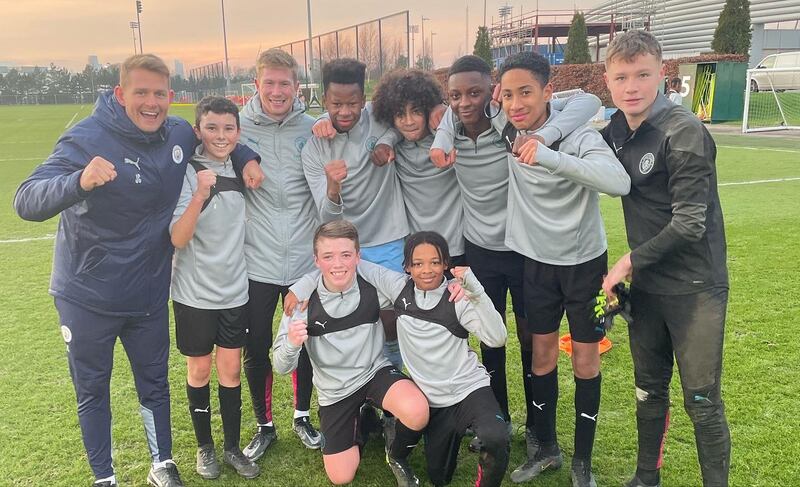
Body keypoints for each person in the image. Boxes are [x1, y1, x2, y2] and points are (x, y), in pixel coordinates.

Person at [13, 54, 263, 487]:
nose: (152, 103)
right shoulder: (87, 137)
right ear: (119, 94)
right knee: (93, 390)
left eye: (160, 94)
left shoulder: (177, 131)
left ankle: (162, 462)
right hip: (87, 295)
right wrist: (78, 182)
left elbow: (217, 137)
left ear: (171, 97)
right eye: (141, 93)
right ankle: (103, 477)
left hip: (147, 293)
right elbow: (26, 199)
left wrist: (246, 154)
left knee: (154, 383)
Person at [430, 55, 603, 454]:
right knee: (490, 338)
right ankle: (499, 420)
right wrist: (442, 132)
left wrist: (547, 135)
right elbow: (427, 116)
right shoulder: (450, 130)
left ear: (491, 91)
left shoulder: (509, 123)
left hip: (524, 250)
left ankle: (538, 427)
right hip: (478, 253)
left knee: (532, 339)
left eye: (476, 92)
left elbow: (590, 101)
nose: (465, 102)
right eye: (456, 95)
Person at [489, 50, 630, 486]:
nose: (516, 104)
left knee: (586, 360)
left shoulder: (581, 138)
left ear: (548, 92)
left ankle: (582, 462)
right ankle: (546, 447)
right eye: (508, 95)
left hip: (586, 269)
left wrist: (547, 149)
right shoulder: (508, 130)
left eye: (526, 92)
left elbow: (618, 182)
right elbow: (586, 98)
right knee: (542, 355)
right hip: (536, 268)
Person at [600, 30, 730, 487]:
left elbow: (690, 223)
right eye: (621, 77)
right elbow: (565, 117)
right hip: (649, 289)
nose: (631, 87)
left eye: (642, 75)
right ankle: (645, 478)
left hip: (696, 287)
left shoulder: (684, 131)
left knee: (701, 399)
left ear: (662, 75)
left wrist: (625, 263)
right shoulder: (615, 129)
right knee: (648, 390)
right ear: (608, 81)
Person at [273, 220, 429, 486]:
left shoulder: (371, 283)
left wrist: (455, 287)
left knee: (417, 411)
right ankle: (361, 422)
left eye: (346, 255)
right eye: (328, 256)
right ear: (316, 260)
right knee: (341, 477)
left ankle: (396, 454)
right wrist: (291, 343)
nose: (338, 264)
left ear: (358, 256)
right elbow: (281, 366)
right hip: (335, 391)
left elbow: (413, 287)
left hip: (374, 372)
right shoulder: (302, 302)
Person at [351, 232, 510, 487]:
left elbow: (497, 338)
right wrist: (303, 286)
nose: (427, 270)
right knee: (439, 476)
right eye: (418, 263)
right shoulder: (399, 287)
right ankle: (418, 447)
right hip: (432, 400)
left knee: (496, 437)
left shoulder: (457, 297)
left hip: (469, 389)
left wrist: (475, 292)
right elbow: (355, 263)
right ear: (407, 267)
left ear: (445, 264)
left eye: (435, 262)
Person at [238, 48, 323, 461]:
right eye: (269, 83)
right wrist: (242, 153)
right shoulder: (236, 127)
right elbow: (203, 138)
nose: (277, 91)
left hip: (305, 263)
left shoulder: (313, 128)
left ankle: (303, 415)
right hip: (257, 260)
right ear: (256, 85)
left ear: (296, 86)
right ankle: (265, 424)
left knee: (304, 341)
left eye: (284, 83)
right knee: (256, 347)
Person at [170, 96, 259, 480]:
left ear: (238, 133)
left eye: (228, 128)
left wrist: (248, 159)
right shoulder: (187, 173)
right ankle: (205, 448)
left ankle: (233, 448)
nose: (220, 136)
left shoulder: (243, 168)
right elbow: (178, 237)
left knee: (231, 372)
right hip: (193, 294)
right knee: (200, 370)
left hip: (234, 291)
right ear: (197, 131)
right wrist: (200, 195)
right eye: (211, 128)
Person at [301, 58, 406, 369]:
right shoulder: (314, 147)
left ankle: (392, 386)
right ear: (325, 99)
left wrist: (386, 143)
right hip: (345, 248)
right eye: (335, 104)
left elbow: (405, 125)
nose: (344, 111)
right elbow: (326, 217)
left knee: (390, 320)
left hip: (388, 236)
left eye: (352, 103)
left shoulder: (379, 115)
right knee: (353, 320)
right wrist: (333, 186)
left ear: (364, 99)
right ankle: (361, 398)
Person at [370, 69, 466, 265]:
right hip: (417, 251)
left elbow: (461, 116)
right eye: (400, 114)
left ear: (428, 109)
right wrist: (388, 139)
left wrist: (443, 108)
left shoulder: (446, 139)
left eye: (416, 111)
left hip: (456, 248)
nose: (408, 121)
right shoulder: (394, 148)